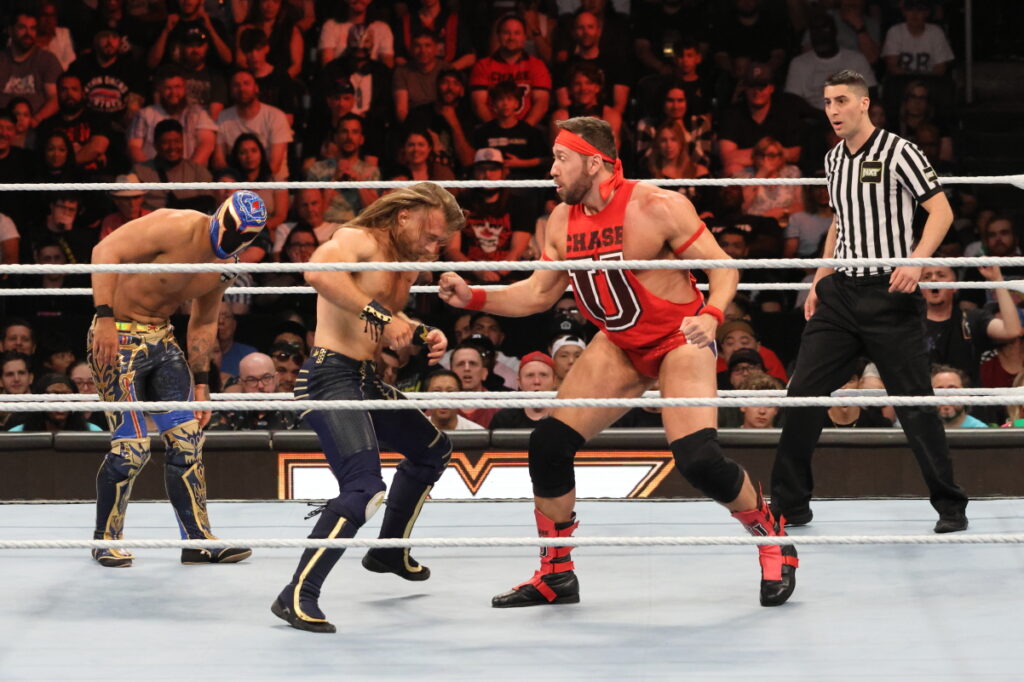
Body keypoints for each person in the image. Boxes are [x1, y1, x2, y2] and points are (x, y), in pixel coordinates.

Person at [439, 115, 797, 609]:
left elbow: (723, 266)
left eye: (561, 159)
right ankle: (556, 573)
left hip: (679, 338)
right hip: (619, 345)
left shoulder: (656, 205)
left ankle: (771, 534)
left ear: (595, 161)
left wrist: (713, 315)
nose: (552, 170)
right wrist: (473, 297)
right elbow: (539, 294)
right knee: (548, 444)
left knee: (699, 461)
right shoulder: (561, 220)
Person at [769, 70, 969, 534]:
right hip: (841, 293)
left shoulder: (900, 151)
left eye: (841, 101)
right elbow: (839, 221)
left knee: (915, 403)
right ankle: (791, 504)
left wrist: (916, 262)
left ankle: (950, 505)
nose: (833, 110)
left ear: (863, 104)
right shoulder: (834, 158)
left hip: (890, 295)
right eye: (827, 102)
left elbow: (941, 210)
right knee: (801, 394)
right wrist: (820, 279)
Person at [271, 182, 465, 634]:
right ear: (403, 217)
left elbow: (387, 322)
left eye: (441, 242)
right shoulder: (360, 239)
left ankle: (388, 550)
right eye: (431, 236)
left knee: (432, 450)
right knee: (364, 488)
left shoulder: (407, 264)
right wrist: (387, 318)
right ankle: (297, 594)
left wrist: (422, 333)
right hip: (328, 377)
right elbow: (318, 274)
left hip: (364, 380)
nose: (434, 248)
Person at [87, 190, 268, 568]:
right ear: (219, 217)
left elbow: (204, 321)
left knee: (188, 441)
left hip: (164, 342)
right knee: (131, 449)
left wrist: (202, 382)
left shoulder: (225, 265)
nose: (230, 244)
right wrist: (103, 317)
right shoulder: (174, 225)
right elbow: (105, 250)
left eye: (240, 240)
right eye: (229, 233)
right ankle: (106, 540)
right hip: (116, 337)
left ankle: (198, 540)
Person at [490, 352, 557, 429]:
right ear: (519, 383)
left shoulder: (568, 417)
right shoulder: (503, 418)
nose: (537, 381)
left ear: (554, 381)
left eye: (543, 375)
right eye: (530, 375)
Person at [931, 364, 989, 429]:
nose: (946, 396)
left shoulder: (980, 431)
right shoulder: (920, 430)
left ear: (966, 394)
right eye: (939, 390)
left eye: (952, 389)